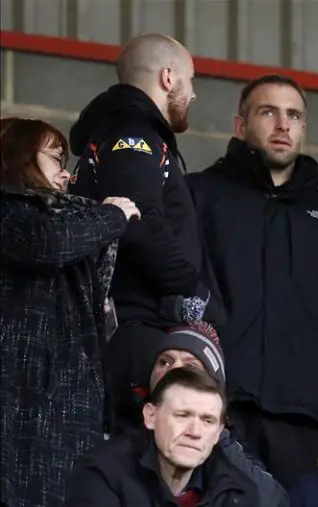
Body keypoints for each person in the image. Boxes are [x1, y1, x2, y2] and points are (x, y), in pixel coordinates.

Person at [185, 74, 318, 488]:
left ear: (303, 128)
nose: (282, 124)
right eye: (268, 112)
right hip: (216, 407)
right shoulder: (198, 196)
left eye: (293, 115)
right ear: (240, 125)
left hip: (307, 422)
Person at [67, 33, 224, 432]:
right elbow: (137, 223)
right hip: (135, 328)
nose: (194, 93)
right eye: (190, 80)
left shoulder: (125, 130)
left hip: (135, 325)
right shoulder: (134, 133)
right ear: (168, 78)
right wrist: (191, 290)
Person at [0, 117, 140, 507]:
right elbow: (48, 243)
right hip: (20, 409)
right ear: (18, 156)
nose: (65, 173)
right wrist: (111, 216)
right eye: (55, 158)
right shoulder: (11, 213)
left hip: (65, 410)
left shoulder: (65, 217)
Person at [112, 321, 289, 506]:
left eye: (191, 367)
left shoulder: (227, 444)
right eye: (165, 362)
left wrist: (214, 433)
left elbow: (274, 500)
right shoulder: (120, 437)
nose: (174, 370)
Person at [65, 367, 268, 506]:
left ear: (218, 433)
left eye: (208, 421)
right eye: (182, 415)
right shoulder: (102, 473)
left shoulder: (238, 494)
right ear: (150, 416)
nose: (195, 432)